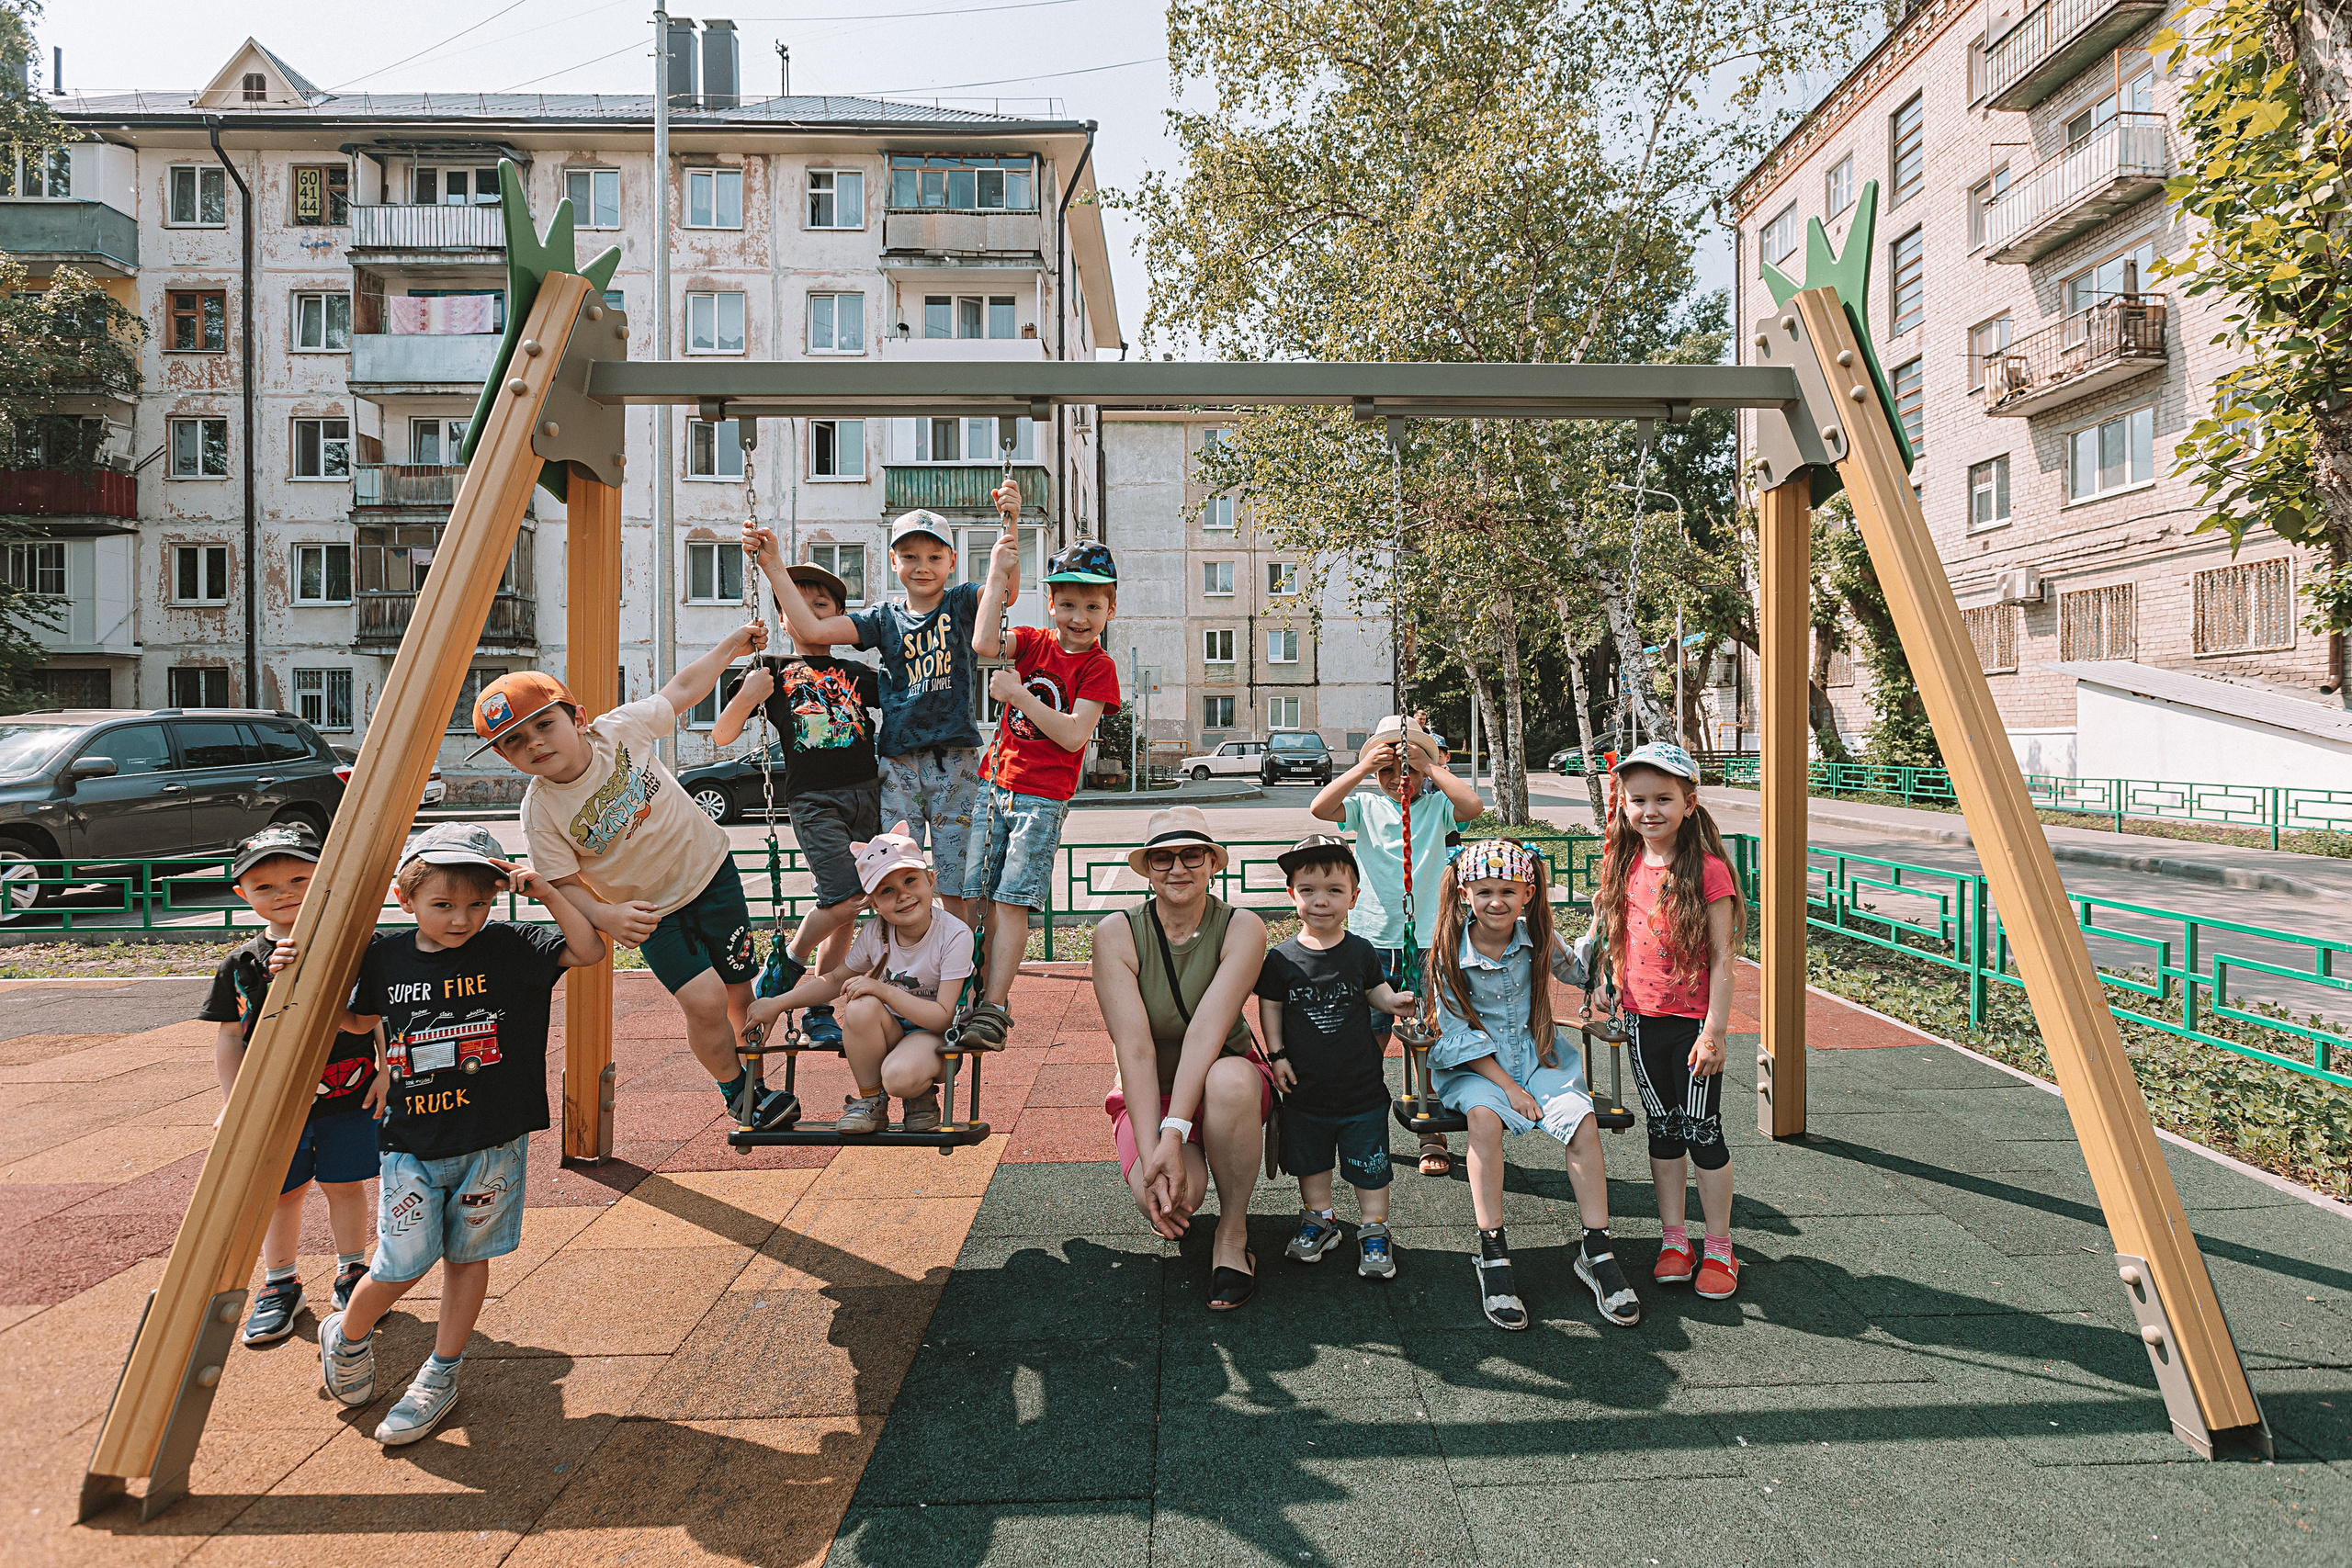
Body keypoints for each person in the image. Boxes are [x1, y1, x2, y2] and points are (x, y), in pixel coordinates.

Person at [311, 824, 603, 1445]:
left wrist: (548, 892)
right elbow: (357, 1017)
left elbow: (589, 950)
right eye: (442, 904)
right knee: (400, 1261)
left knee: (468, 1258)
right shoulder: (386, 956)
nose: (461, 918)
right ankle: (348, 1331)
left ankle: (441, 1371)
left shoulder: (509, 944)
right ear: (404, 897)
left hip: (493, 1139)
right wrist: (299, 974)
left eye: (477, 902)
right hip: (411, 1142)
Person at [474, 617, 801, 1133]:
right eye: (515, 741)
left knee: (738, 989)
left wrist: (730, 647)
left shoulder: (618, 730)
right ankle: (736, 1091)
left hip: (711, 872)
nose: (535, 743)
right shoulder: (540, 810)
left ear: (578, 718)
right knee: (704, 1000)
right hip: (650, 914)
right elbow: (562, 882)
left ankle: (754, 1072)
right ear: (503, 756)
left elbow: (682, 690)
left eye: (544, 725)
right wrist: (605, 913)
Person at [744, 491, 1018, 928]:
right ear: (894, 563)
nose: (922, 566)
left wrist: (1010, 530)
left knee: (956, 880)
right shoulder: (882, 618)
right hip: (898, 761)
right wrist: (773, 565)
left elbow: (1003, 596)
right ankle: (904, 963)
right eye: (909, 556)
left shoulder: (963, 601)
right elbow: (814, 627)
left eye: (933, 556)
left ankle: (963, 972)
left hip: (957, 758)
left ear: (950, 561)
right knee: (893, 872)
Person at [1427, 839, 1641, 1333]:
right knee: (1483, 1119)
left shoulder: (1538, 937)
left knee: (1583, 1123)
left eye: (1507, 891)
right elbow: (1457, 1035)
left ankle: (1596, 1246)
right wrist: (1512, 1090)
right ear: (1465, 893)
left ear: (1527, 894)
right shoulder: (1447, 951)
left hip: (1538, 1055)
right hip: (1473, 1067)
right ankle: (1493, 1249)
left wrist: (1598, 920)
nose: (1495, 902)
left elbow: (1582, 972)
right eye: (1484, 891)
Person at [201, 823, 385, 1345]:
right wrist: (232, 1100)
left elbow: (379, 1014)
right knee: (280, 1195)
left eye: (298, 879)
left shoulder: (354, 946)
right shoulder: (243, 964)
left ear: (323, 879)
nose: (283, 893)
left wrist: (388, 1071)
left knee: (346, 1184)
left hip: (349, 1094)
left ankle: (353, 1271)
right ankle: (281, 1281)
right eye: (264, 886)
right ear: (242, 894)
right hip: (276, 1103)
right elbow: (232, 1037)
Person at [1584, 741, 1746, 1299]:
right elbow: (1617, 936)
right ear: (1624, 805)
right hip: (1641, 1020)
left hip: (1693, 1023)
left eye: (1663, 798)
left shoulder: (1708, 870)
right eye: (1637, 799)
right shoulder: (1624, 864)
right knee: (1664, 1131)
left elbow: (1724, 956)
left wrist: (1715, 1030)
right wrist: (1607, 986)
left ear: (1689, 803)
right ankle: (1675, 1238)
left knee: (1704, 1131)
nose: (1649, 810)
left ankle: (1719, 1244)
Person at [1093, 806, 1271, 1309]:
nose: (1177, 868)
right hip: (1151, 1089)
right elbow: (1136, 1051)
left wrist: (1173, 1134)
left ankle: (1233, 1235)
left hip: (1221, 1080)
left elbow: (1205, 1035)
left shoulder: (1243, 927)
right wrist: (1156, 1157)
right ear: (1147, 869)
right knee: (1175, 1198)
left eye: (1192, 854)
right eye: (1162, 858)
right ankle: (1172, 1166)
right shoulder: (1116, 934)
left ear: (1213, 863)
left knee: (1230, 1079)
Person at [956, 534, 1121, 1047]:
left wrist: (1019, 695)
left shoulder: (1098, 667)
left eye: (1092, 605)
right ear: (1050, 603)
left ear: (1110, 610)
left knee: (1011, 901)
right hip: (994, 785)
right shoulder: (1030, 641)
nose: (1078, 616)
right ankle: (968, 992)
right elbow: (984, 643)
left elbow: (1073, 734)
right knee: (971, 894)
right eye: (1067, 603)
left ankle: (994, 1005)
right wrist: (996, 575)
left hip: (1041, 799)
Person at [713, 559, 883, 1049]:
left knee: (849, 909)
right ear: (782, 619)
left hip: (866, 796)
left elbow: (904, 703)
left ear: (838, 618)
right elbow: (724, 733)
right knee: (845, 895)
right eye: (797, 605)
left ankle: (818, 1009)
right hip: (813, 801)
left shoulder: (856, 673)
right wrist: (749, 695)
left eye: (821, 606)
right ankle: (787, 965)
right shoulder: (770, 672)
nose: (809, 612)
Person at [1308, 713, 1482, 1177]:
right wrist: (1365, 767)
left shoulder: (1434, 807)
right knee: (1368, 1035)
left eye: (1407, 771)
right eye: (1388, 771)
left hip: (1426, 940)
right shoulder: (1366, 807)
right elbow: (1320, 808)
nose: (1397, 779)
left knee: (1427, 1033)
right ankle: (1367, 1126)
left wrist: (1432, 765)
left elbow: (1473, 807)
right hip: (1370, 941)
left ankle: (1430, 1128)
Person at [743, 822, 975, 1135]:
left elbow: (943, 1018)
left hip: (935, 1036)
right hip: (892, 1029)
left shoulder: (954, 935)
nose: (903, 895)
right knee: (859, 1004)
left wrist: (883, 991)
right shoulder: (875, 933)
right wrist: (777, 1003)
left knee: (899, 1077)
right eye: (887, 891)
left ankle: (918, 1092)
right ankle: (871, 1101)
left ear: (930, 880)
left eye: (910, 880)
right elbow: (835, 979)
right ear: (875, 904)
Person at [1258, 833, 1419, 1280]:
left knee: (1370, 1163)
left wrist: (1394, 1003)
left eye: (1334, 890)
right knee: (1311, 1161)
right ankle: (1321, 1219)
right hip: (1305, 1089)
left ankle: (1373, 1227)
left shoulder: (1361, 951)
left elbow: (1375, 992)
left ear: (1353, 897)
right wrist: (1277, 1055)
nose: (1320, 901)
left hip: (1361, 1088)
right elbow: (1270, 1006)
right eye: (1307, 890)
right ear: (1291, 895)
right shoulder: (1281, 959)